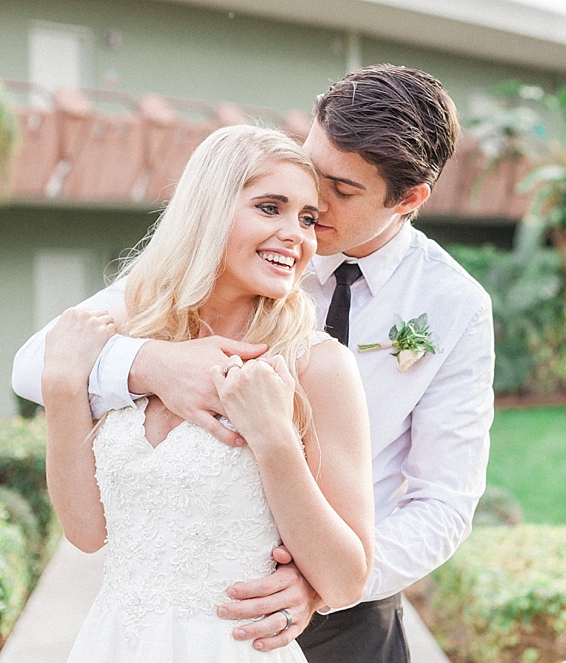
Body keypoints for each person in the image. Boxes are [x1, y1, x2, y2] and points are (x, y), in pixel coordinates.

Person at [13, 64, 494, 662]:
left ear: (410, 200)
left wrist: (318, 586)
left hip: (350, 614)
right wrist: (155, 365)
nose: (306, 213)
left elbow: (443, 500)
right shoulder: (199, 275)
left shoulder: (452, 306)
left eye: (333, 197)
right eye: (301, 180)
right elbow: (39, 362)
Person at [37, 125, 376, 662]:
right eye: (271, 208)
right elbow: (86, 533)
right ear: (208, 210)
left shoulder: (317, 365)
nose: (298, 235)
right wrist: (61, 388)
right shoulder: (135, 344)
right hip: (117, 643)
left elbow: (344, 582)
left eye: (307, 218)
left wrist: (273, 438)